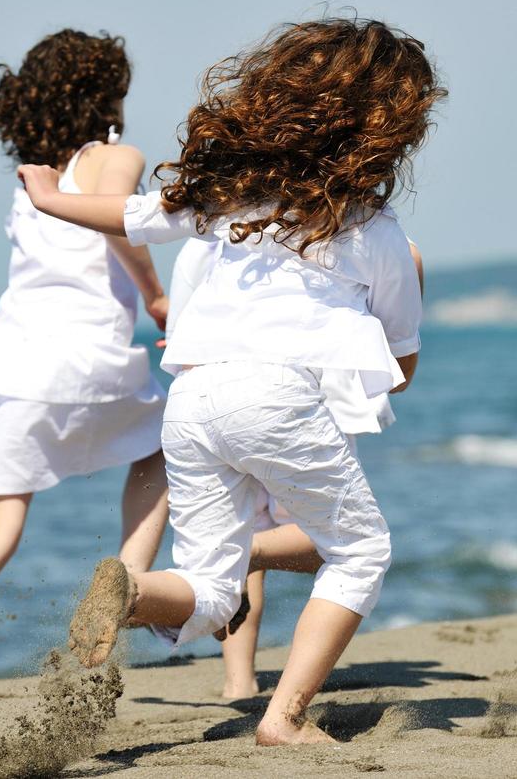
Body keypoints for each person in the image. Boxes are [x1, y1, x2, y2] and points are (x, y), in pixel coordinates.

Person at [16, 17, 442, 744]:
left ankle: (134, 591)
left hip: (192, 398)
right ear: (385, 132)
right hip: (274, 399)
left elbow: (134, 215)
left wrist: (53, 200)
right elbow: (399, 363)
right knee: (361, 551)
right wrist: (387, 357)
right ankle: (286, 719)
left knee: (212, 589)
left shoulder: (225, 198)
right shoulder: (373, 227)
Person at [0, 30, 171, 690]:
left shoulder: (33, 181)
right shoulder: (113, 158)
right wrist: (158, 296)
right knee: (163, 453)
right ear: (106, 96)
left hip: (6, 369)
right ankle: (126, 581)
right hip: (86, 359)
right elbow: (120, 223)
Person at [166, 237, 424, 700]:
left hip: (207, 401)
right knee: (343, 544)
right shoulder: (384, 239)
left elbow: (182, 341)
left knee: (243, 542)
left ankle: (238, 682)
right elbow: (398, 361)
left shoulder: (204, 243)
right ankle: (281, 699)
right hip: (306, 402)